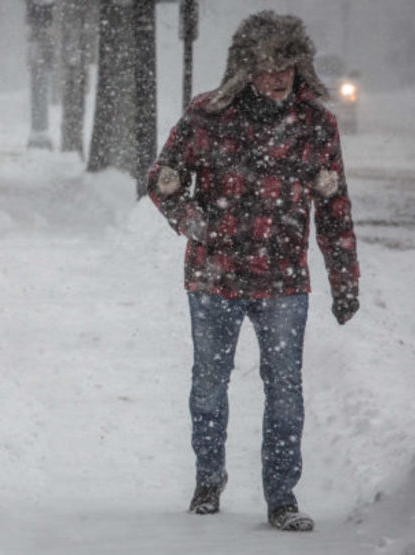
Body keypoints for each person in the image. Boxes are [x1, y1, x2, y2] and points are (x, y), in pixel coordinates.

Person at [145, 11, 360, 532]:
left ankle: (282, 496)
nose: (276, 77)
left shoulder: (315, 125)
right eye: (265, 67)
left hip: (284, 280)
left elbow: (335, 207)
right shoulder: (207, 117)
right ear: (245, 69)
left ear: (299, 67)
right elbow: (163, 178)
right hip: (214, 276)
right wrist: (193, 222)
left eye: (285, 66)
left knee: (285, 388)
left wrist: (344, 279)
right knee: (209, 383)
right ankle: (208, 479)